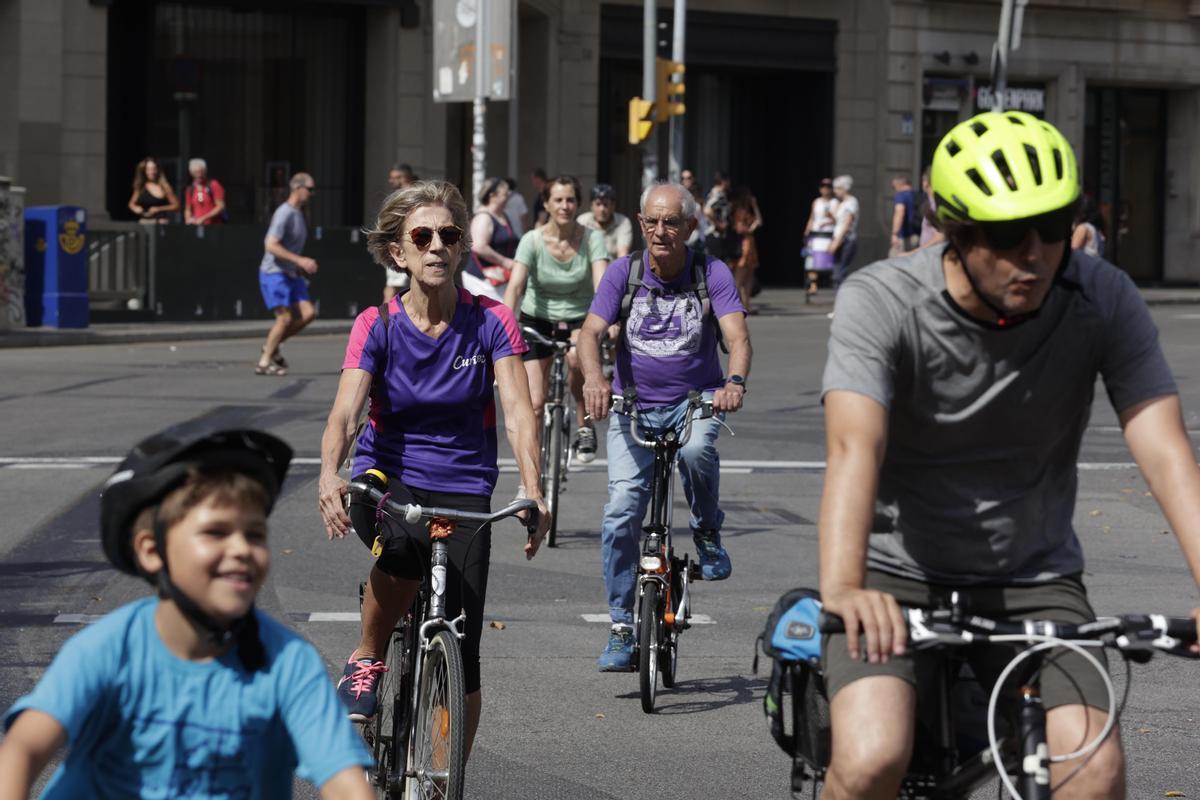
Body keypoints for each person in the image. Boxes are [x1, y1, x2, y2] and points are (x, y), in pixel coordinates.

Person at [817, 110, 1200, 800]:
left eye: (1052, 229)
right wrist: (844, 586)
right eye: (1005, 234)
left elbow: (1166, 450)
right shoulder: (883, 300)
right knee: (873, 758)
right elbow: (854, 447)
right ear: (955, 234)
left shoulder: (1100, 297)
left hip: (1036, 578)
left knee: (1094, 770)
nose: (1034, 254)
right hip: (894, 576)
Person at [0, 423, 373, 799]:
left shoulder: (288, 663)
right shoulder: (106, 652)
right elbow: (23, 747)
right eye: (215, 533)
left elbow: (344, 778)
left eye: (255, 534)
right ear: (150, 550)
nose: (242, 549)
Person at [317, 181, 551, 757]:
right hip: (386, 474)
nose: (437, 247)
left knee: (464, 649)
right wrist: (329, 473)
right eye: (422, 237)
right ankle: (369, 655)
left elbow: (520, 413)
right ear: (399, 252)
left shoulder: (492, 321)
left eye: (449, 235)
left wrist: (534, 487)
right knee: (400, 549)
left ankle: (443, 778)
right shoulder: (377, 323)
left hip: (466, 484)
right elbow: (346, 414)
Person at [578, 181, 752, 671]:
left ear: (690, 227)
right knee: (619, 512)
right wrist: (594, 378)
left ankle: (706, 532)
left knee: (697, 453)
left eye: (671, 222)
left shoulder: (710, 271)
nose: (660, 230)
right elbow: (590, 332)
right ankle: (620, 625)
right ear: (640, 223)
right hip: (633, 405)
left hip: (694, 401)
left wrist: (733, 382)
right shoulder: (623, 273)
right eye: (652, 221)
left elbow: (737, 337)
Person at [505, 174, 609, 464]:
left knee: (577, 359)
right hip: (536, 319)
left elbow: (602, 286)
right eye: (558, 200)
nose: (565, 205)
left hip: (580, 319)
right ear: (547, 204)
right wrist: (504, 324)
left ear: (578, 204)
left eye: (571, 200)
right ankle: (533, 472)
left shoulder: (592, 239)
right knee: (535, 403)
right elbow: (515, 287)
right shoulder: (532, 240)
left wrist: (607, 321)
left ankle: (584, 425)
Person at [256, 173, 318, 377]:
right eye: (309, 189)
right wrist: (299, 260)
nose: (312, 193)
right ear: (297, 189)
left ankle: (270, 346)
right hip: (274, 272)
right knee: (284, 319)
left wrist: (296, 264)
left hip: (291, 273)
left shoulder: (299, 213)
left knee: (309, 313)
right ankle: (264, 362)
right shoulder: (284, 213)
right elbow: (270, 245)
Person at [468, 176, 519, 298]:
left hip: (499, 277)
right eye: (505, 194)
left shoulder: (503, 215)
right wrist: (505, 261)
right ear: (492, 196)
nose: (508, 197)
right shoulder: (483, 217)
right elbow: (478, 246)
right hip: (482, 281)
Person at [577, 183, 633, 261]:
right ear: (591, 206)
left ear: (613, 206)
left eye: (605, 204)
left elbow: (622, 256)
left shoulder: (623, 222)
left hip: (613, 269)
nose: (602, 209)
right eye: (598, 204)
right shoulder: (582, 221)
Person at [803, 177, 838, 298]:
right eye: (823, 187)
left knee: (827, 262)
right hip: (816, 234)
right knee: (812, 260)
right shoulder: (816, 202)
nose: (825, 189)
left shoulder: (835, 202)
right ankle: (813, 285)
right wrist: (807, 231)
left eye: (828, 187)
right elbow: (812, 217)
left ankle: (832, 284)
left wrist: (829, 218)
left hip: (828, 235)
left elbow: (837, 220)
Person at [730, 187, 763, 315]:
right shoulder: (739, 211)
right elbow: (740, 228)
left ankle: (746, 304)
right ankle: (735, 304)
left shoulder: (748, 210)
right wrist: (751, 228)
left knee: (749, 276)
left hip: (750, 243)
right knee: (740, 277)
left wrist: (754, 206)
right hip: (743, 243)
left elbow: (759, 220)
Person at [829, 174, 859, 296]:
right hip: (839, 237)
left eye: (837, 188)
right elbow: (837, 222)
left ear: (843, 189)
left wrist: (836, 242)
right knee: (837, 270)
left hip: (845, 239)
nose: (835, 191)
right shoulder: (841, 203)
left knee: (840, 272)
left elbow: (847, 223)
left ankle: (841, 302)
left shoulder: (851, 202)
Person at [127, 157, 179, 224]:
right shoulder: (141, 187)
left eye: (153, 169)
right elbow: (131, 204)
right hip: (145, 222)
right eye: (148, 169)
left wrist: (159, 209)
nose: (151, 172)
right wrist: (136, 208)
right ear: (144, 171)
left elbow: (176, 205)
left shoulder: (165, 187)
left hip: (160, 223)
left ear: (158, 169)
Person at [703, 170, 736, 264]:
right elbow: (707, 210)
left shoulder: (719, 194)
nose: (730, 183)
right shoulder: (718, 194)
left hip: (718, 236)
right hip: (715, 235)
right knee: (715, 265)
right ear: (723, 181)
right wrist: (718, 224)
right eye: (728, 181)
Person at [183, 158, 226, 225]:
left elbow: (220, 206)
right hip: (197, 227)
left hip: (213, 227)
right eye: (196, 172)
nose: (199, 175)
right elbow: (188, 209)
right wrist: (188, 219)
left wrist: (204, 218)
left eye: (201, 172)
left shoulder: (214, 185)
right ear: (191, 173)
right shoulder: (190, 189)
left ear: (205, 171)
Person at [889, 174, 919, 256]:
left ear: (899, 185)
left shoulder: (901, 196)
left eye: (894, 187)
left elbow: (899, 213)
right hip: (917, 237)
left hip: (903, 237)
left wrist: (895, 234)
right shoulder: (918, 195)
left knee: (893, 262)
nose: (894, 190)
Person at [916, 166, 944, 249]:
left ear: (926, 183)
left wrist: (916, 252)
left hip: (931, 256)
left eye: (923, 180)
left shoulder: (936, 205)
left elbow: (941, 236)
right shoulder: (932, 203)